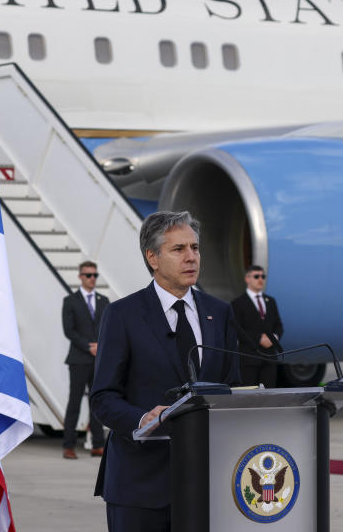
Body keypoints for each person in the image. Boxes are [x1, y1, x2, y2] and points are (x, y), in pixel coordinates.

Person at [91, 211, 240, 532]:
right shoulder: (122, 315)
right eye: (179, 249)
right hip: (140, 485)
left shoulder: (220, 313)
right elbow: (103, 397)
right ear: (152, 257)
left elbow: (232, 386)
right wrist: (142, 419)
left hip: (208, 484)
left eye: (195, 248)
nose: (191, 257)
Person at [62, 260, 109, 459]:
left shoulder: (103, 300)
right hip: (79, 359)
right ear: (80, 276)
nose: (92, 279)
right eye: (88, 275)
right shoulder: (70, 301)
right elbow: (69, 331)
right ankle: (68, 445)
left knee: (96, 401)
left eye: (94, 275)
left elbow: (109, 327)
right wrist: (89, 346)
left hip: (98, 359)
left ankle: (98, 444)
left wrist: (100, 346)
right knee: (74, 402)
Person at [231, 265, 284, 388]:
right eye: (256, 276)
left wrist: (274, 337)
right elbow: (237, 329)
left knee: (269, 394)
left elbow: (278, 325)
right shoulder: (238, 303)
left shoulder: (270, 301)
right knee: (248, 395)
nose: (260, 279)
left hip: (270, 358)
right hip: (249, 358)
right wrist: (259, 339)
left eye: (263, 276)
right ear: (247, 279)